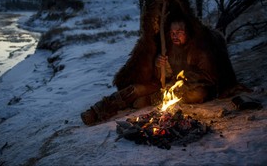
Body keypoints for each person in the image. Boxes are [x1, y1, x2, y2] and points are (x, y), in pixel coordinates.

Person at [81, 18, 220, 125]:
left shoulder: (197, 50)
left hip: (185, 88)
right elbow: (159, 78)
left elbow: (207, 76)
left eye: (179, 32)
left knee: (199, 94)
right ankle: (97, 110)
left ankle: (149, 100)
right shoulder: (168, 48)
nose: (175, 36)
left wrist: (181, 82)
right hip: (161, 86)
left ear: (187, 33)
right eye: (172, 33)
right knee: (133, 90)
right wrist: (159, 65)